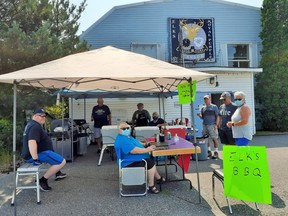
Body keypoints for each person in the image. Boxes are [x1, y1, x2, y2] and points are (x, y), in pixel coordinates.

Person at [21, 108, 67, 191]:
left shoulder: (31, 124)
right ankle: (42, 181)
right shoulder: (35, 126)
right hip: (35, 155)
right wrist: (35, 159)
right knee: (62, 161)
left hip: (39, 152)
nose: (44, 118)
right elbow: (32, 142)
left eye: (45, 116)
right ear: (35, 116)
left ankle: (57, 172)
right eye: (42, 116)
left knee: (53, 156)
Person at [114, 122, 166, 194]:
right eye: (123, 128)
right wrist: (148, 149)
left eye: (127, 128)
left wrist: (145, 144)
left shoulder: (126, 136)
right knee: (150, 163)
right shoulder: (122, 140)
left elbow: (135, 142)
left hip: (132, 158)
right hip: (128, 162)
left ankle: (159, 178)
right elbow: (134, 151)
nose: (126, 129)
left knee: (150, 161)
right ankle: (151, 185)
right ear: (118, 130)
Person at [197, 95, 219, 159]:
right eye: (205, 99)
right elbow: (203, 117)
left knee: (214, 138)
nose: (206, 100)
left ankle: (216, 152)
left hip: (212, 125)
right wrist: (199, 116)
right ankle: (209, 151)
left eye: (207, 99)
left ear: (209, 99)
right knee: (206, 139)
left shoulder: (214, 107)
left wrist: (216, 125)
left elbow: (217, 116)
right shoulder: (203, 108)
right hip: (205, 125)